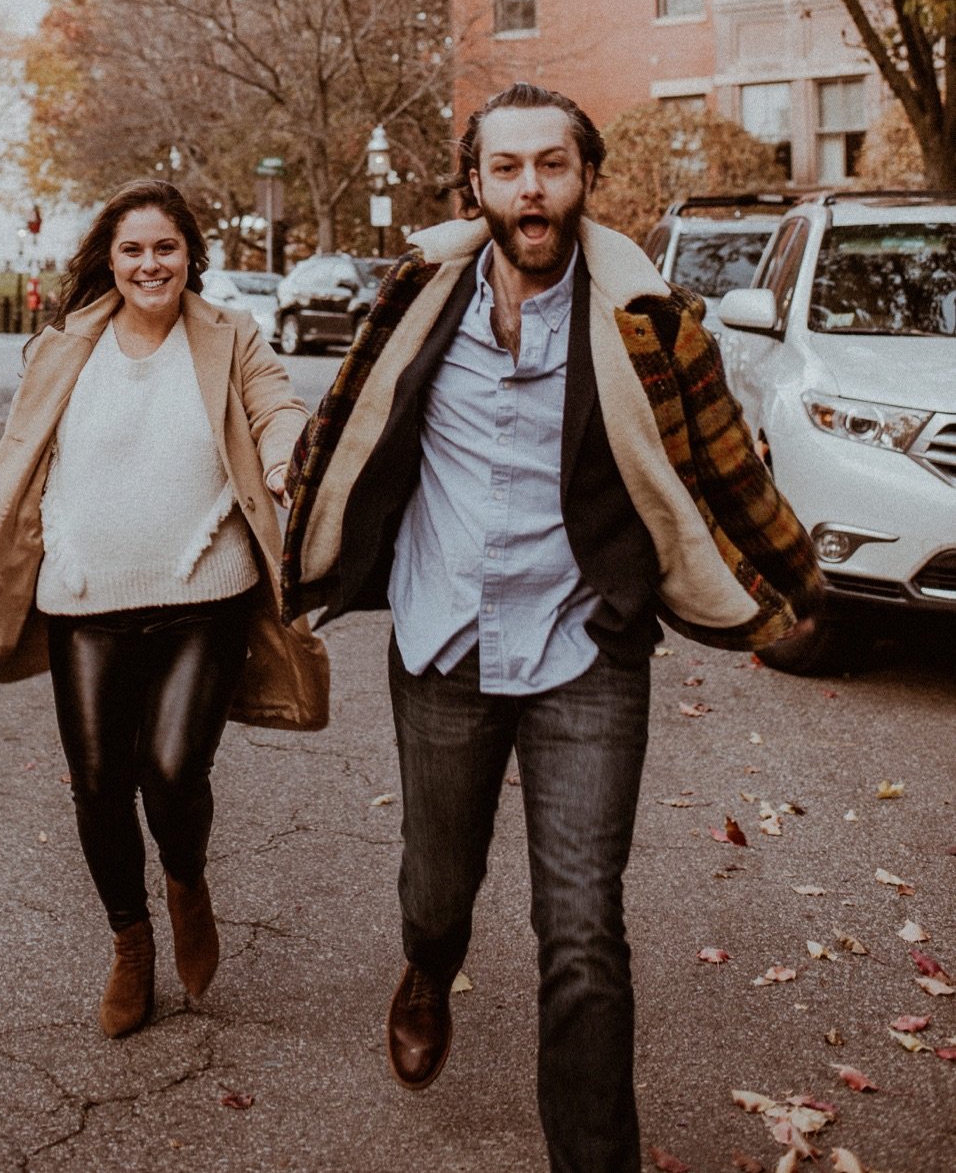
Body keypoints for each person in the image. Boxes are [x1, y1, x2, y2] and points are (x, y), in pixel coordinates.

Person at [280, 83, 824, 1173]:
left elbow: (723, 462)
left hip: (585, 647)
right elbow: (341, 432)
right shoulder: (416, 300)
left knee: (582, 932)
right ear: (474, 185)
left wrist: (799, 591)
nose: (531, 189)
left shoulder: (645, 321)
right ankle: (429, 967)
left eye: (552, 166)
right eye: (508, 168)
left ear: (585, 178)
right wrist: (297, 549)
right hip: (443, 642)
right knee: (436, 889)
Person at [0, 179, 315, 1038]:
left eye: (166, 247)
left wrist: (283, 459)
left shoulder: (230, 335)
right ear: (110, 259)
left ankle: (187, 882)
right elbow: (24, 456)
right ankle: (131, 943)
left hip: (206, 590)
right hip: (85, 593)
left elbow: (276, 406)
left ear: (191, 254)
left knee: (169, 770)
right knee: (97, 783)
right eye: (133, 249)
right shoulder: (65, 346)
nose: (150, 263)